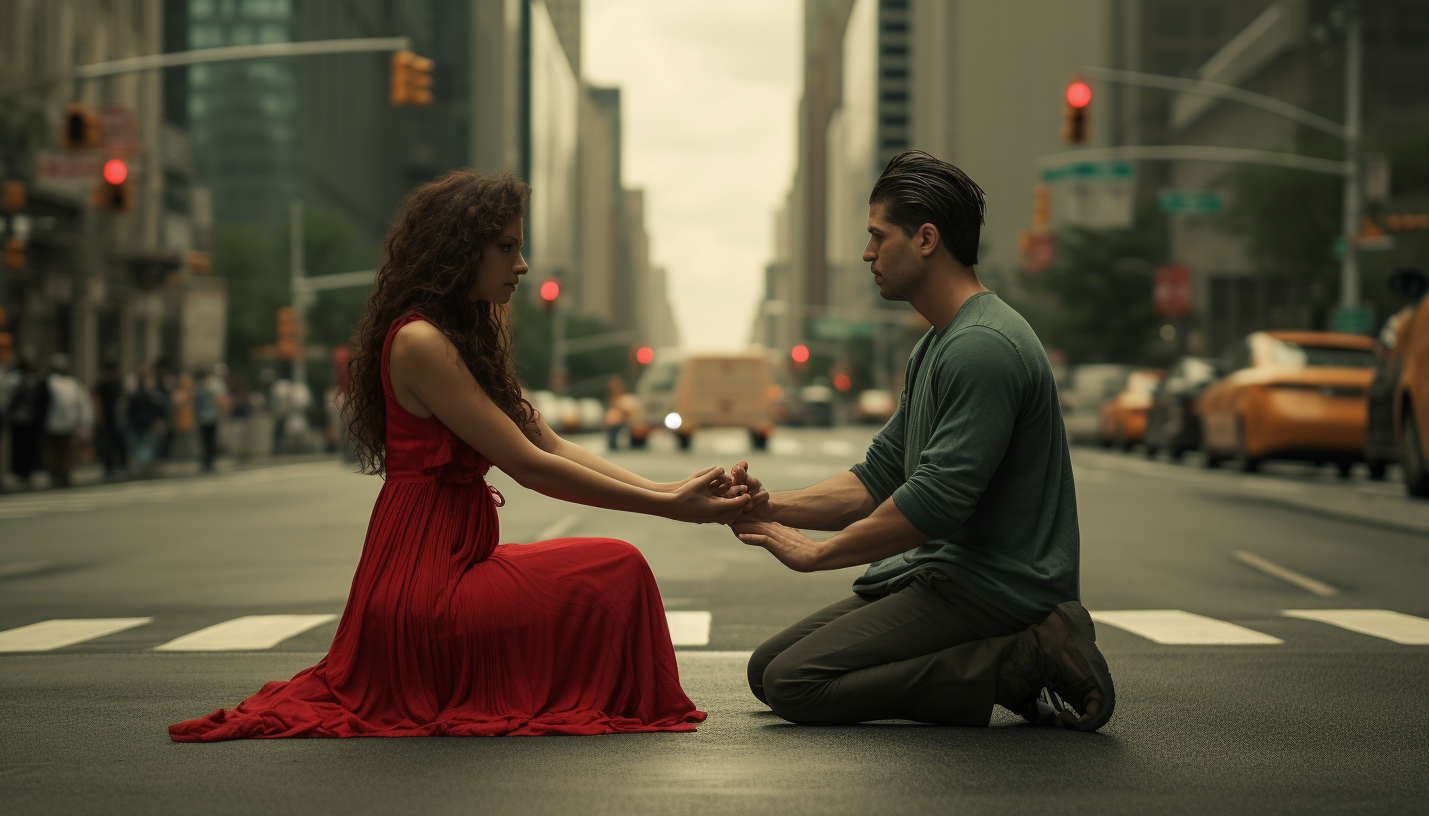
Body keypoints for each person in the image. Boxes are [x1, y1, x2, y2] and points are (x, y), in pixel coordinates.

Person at [169, 169, 751, 742]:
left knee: (613, 567)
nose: (521, 265)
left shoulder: (462, 336)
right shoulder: (421, 342)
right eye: (506, 248)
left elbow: (550, 442)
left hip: (457, 565)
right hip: (426, 586)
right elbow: (529, 465)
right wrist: (672, 508)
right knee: (616, 568)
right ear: (459, 251)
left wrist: (668, 490)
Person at [728, 151, 1115, 732]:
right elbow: (879, 477)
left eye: (877, 237)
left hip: (998, 589)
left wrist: (821, 554)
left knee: (795, 683)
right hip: (943, 574)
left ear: (927, 238)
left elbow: (938, 501)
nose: (867, 254)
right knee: (767, 669)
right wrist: (768, 507)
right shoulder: (936, 346)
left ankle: (1015, 660)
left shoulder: (983, 347)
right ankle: (987, 661)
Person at [42, 352, 93, 488]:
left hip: (63, 426)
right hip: (55, 425)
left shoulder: (70, 384)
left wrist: (83, 424)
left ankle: (62, 475)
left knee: (63, 453)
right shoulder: (52, 383)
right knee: (58, 453)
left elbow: (82, 405)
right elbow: (83, 405)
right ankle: (59, 474)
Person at [3, 357, 46, 486]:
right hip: (19, 417)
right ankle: (20, 470)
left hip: (27, 418)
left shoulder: (30, 379)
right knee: (20, 445)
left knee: (25, 445)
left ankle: (24, 470)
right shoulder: (15, 379)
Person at [94, 361, 128, 479]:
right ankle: (109, 466)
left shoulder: (117, 385)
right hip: (105, 421)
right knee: (106, 444)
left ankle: (122, 464)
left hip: (117, 420)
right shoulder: (100, 386)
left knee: (119, 442)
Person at [194, 365, 231, 472]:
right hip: (205, 417)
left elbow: (220, 400)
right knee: (206, 440)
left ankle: (209, 460)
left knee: (209, 439)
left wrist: (224, 413)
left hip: (211, 416)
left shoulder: (212, 385)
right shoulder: (204, 385)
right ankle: (207, 459)